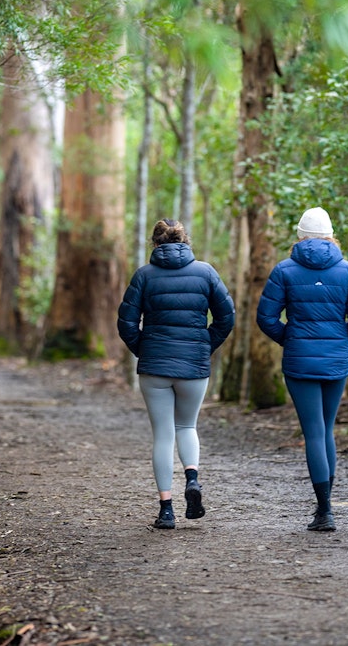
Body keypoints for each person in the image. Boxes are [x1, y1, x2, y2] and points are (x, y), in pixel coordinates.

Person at [256, 207, 348, 532]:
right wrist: (339, 342)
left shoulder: (284, 270)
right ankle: (326, 509)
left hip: (299, 362)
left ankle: (324, 511)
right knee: (327, 429)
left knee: (314, 433)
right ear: (331, 236)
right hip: (336, 361)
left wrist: (291, 340)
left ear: (300, 236)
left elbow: (266, 318)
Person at [117, 219, 235, 529]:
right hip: (193, 366)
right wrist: (203, 345)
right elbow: (226, 317)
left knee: (163, 435)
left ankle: (166, 510)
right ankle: (192, 479)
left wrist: (146, 349)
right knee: (187, 425)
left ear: (155, 244)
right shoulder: (206, 273)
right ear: (185, 242)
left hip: (155, 366)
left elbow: (126, 323)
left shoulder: (144, 276)